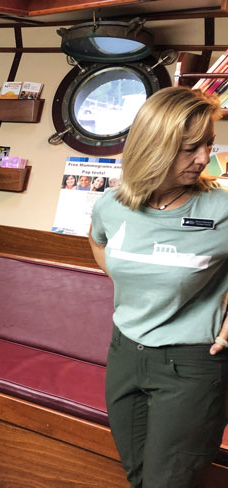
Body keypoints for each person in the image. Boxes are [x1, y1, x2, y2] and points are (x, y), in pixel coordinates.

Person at [88, 86, 228, 488]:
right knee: (139, 476)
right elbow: (97, 241)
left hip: (192, 363)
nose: (204, 159)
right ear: (153, 146)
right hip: (124, 352)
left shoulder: (221, 208)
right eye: (190, 148)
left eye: (209, 145)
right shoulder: (112, 205)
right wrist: (135, 282)